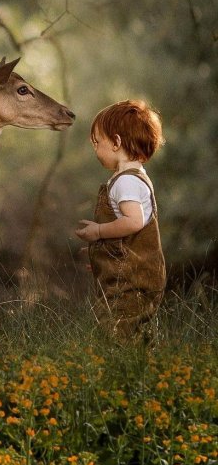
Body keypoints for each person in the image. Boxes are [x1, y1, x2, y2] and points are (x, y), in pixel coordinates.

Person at [75, 100, 166, 340]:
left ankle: (125, 370)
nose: (95, 149)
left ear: (116, 142)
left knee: (118, 332)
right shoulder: (133, 178)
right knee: (134, 330)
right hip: (133, 273)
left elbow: (133, 222)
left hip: (131, 279)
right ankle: (140, 365)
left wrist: (98, 232)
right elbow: (128, 236)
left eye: (97, 142)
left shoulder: (126, 182)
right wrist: (102, 256)